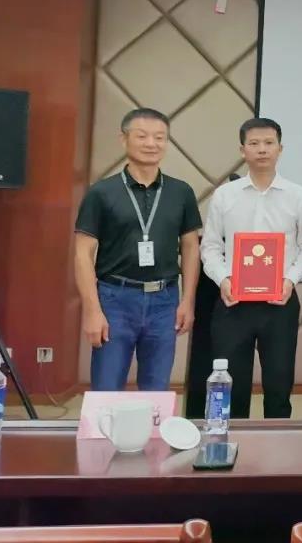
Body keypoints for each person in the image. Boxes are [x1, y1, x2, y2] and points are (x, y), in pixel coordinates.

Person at [74, 108, 202, 391]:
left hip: (165, 300)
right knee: (107, 388)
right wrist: (92, 310)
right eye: (142, 136)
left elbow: (191, 247)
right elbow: (82, 253)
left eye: (160, 137)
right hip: (114, 298)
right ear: (124, 139)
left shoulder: (181, 192)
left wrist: (188, 300)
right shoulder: (101, 193)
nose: (151, 143)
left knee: (156, 390)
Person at [201, 118, 302, 418]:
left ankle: (277, 446)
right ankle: (228, 442)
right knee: (230, 386)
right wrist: (223, 279)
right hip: (233, 302)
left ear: (280, 149)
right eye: (254, 143)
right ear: (242, 150)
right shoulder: (225, 195)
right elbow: (210, 247)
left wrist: (290, 280)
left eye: (268, 143)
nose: (262, 149)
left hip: (280, 302)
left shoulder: (299, 196)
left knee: (279, 385)